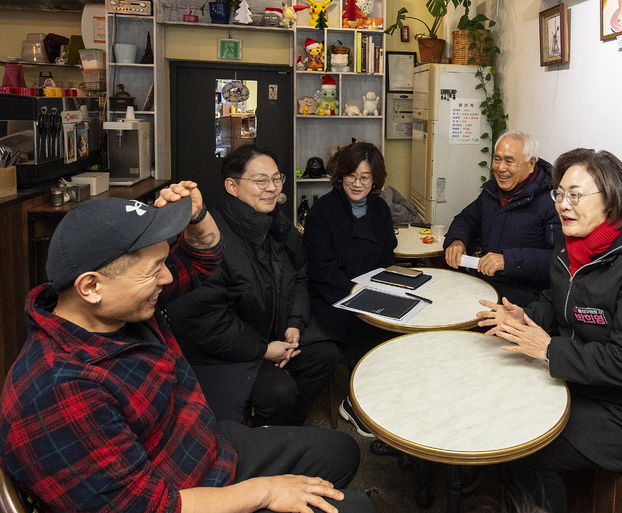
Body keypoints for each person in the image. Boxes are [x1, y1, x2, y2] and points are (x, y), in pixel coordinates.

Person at [0, 181, 375, 513]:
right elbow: (153, 507)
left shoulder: (116, 307)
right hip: (183, 495)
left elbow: (202, 259)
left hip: (204, 448)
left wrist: (196, 214)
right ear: (91, 287)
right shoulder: (59, 390)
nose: (167, 277)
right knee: (355, 507)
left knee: (342, 451)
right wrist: (264, 492)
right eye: (154, 269)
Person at [477, 149, 622, 513]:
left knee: (529, 443)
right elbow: (555, 302)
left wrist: (547, 350)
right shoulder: (572, 249)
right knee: (504, 404)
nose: (563, 205)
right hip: (587, 386)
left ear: (613, 199)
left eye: (575, 195)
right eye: (559, 194)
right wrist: (525, 315)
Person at [165, 146, 339, 427]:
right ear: (232, 186)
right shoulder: (211, 237)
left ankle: (288, 431)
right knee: (279, 392)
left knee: (325, 355)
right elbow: (204, 321)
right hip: (231, 349)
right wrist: (263, 349)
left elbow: (299, 276)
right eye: (260, 181)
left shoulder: (279, 225)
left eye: (276, 179)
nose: (271, 188)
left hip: (276, 330)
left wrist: (294, 324)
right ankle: (268, 443)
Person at [302, 142, 398, 437]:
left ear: (375, 180)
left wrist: (384, 289)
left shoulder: (380, 209)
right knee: (365, 331)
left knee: (399, 328)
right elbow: (321, 268)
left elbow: (386, 258)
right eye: (351, 176)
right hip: (334, 297)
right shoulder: (323, 211)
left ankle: (385, 399)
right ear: (340, 176)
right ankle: (355, 405)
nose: (357, 184)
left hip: (370, 292)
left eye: (365, 177)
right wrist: (356, 295)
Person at [444, 130, 562, 306]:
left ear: (531, 164)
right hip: (485, 287)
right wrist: (457, 240)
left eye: (509, 161)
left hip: (524, 302)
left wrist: (509, 260)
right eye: (497, 159)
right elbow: (466, 219)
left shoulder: (553, 201)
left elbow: (559, 260)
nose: (500, 168)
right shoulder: (492, 191)